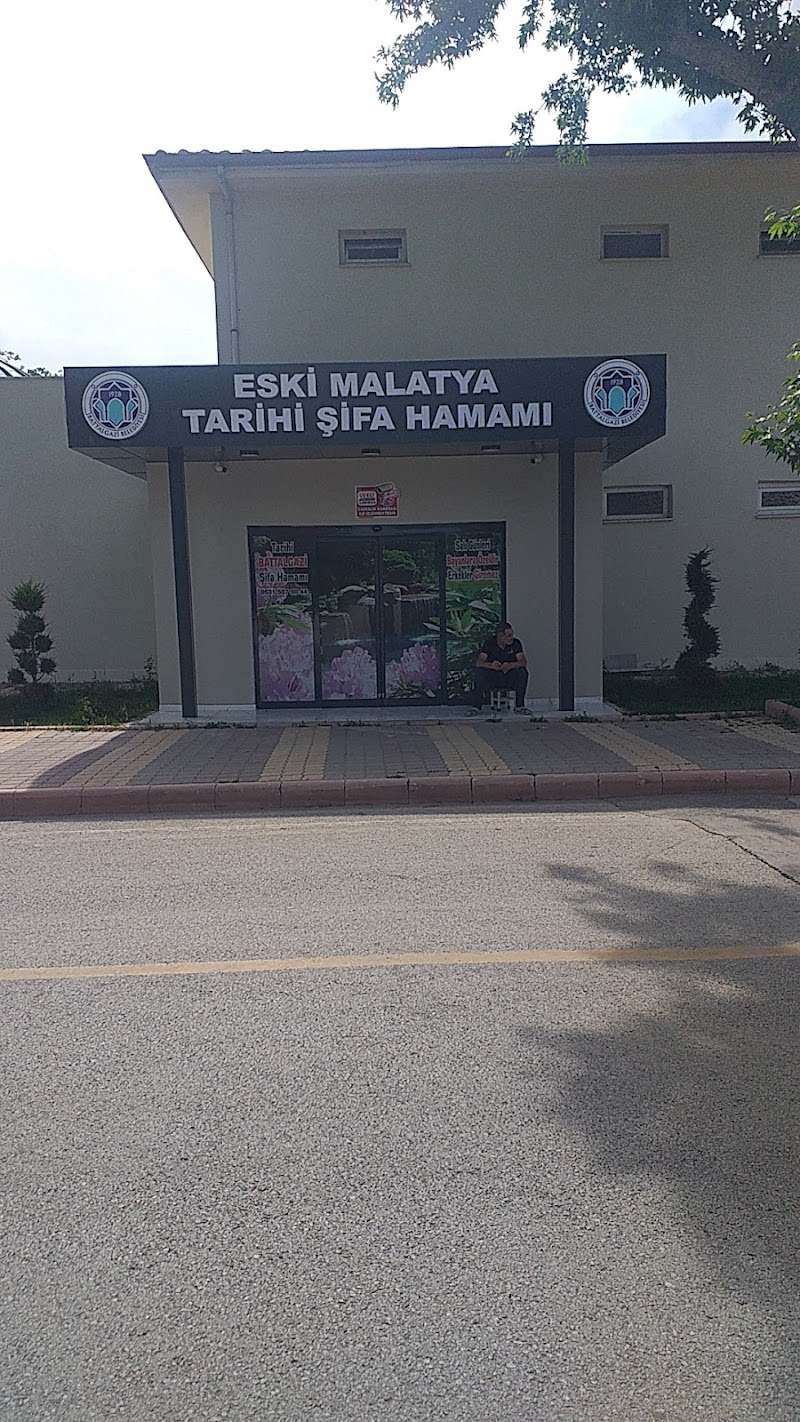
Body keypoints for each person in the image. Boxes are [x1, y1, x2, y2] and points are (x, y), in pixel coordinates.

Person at [474, 622, 529, 710]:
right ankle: (476, 706)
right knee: (479, 672)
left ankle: (520, 706)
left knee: (522, 672)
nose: (511, 638)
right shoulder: (489, 643)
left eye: (512, 635)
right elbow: (479, 662)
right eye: (509, 636)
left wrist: (511, 665)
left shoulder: (516, 643)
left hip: (509, 676)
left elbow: (523, 662)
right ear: (500, 636)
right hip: (494, 676)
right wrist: (491, 665)